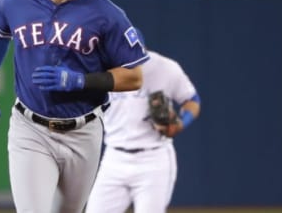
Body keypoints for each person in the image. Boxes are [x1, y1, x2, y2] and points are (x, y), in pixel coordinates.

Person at [0, 0, 149, 213]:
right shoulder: (16, 1)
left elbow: (134, 76)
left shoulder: (107, 14)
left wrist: (81, 81)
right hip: (30, 129)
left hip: (84, 131)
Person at [85, 28, 201, 213]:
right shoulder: (104, 71)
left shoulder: (165, 68)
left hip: (153, 159)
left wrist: (180, 123)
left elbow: (192, 100)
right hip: (114, 158)